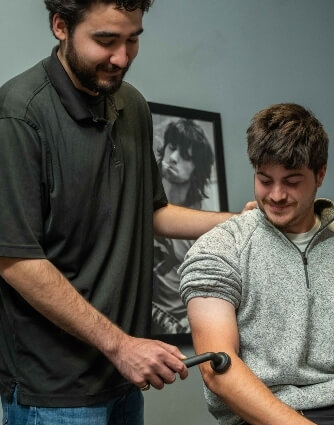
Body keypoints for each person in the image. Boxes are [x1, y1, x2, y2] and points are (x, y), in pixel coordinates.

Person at [0, 1, 253, 424]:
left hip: (122, 378)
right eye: (105, 41)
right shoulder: (19, 115)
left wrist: (241, 223)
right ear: (60, 26)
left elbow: (152, 212)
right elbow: (16, 260)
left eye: (132, 39)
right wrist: (121, 345)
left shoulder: (131, 105)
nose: (121, 58)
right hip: (54, 393)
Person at [179, 103, 334, 425]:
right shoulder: (219, 248)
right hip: (268, 413)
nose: (277, 195)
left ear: (320, 174)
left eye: (292, 181)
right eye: (265, 180)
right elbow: (218, 369)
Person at [152, 119, 214, 335]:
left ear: (198, 167)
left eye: (186, 156)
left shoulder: (203, 222)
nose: (174, 158)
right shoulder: (139, 197)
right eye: (172, 147)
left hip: (178, 327)